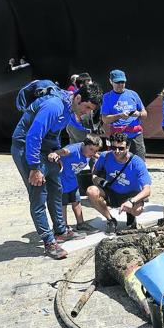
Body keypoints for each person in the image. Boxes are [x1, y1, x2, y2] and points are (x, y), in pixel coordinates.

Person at [11, 82, 102, 259]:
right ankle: (49, 242)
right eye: (87, 107)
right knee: (38, 193)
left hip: (46, 149)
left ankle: (60, 231)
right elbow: (33, 135)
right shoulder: (54, 106)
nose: (87, 112)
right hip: (26, 148)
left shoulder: (69, 110)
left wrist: (56, 153)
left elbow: (54, 134)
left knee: (56, 188)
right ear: (77, 98)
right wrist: (34, 167)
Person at [87, 133, 152, 233]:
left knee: (137, 210)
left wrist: (132, 201)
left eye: (121, 148)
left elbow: (147, 190)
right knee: (91, 191)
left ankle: (131, 215)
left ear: (128, 147)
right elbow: (94, 174)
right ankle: (110, 220)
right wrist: (97, 180)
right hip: (112, 191)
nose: (117, 151)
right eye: (114, 147)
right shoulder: (105, 156)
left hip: (131, 195)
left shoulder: (137, 162)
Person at [47, 133, 103, 232]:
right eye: (91, 149)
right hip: (61, 181)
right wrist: (55, 153)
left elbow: (98, 156)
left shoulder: (90, 153)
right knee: (62, 204)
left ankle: (81, 224)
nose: (93, 152)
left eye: (95, 150)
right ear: (84, 144)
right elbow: (64, 151)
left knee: (76, 202)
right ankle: (64, 226)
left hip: (72, 180)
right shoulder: (73, 150)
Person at [101, 69, 148, 160]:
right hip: (118, 136)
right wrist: (120, 115)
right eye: (117, 82)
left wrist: (138, 114)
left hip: (135, 134)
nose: (120, 85)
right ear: (111, 81)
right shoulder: (107, 97)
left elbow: (145, 113)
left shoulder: (133, 94)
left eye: (122, 82)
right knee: (118, 161)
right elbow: (105, 119)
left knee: (139, 161)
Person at [66, 73, 96, 144]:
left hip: (72, 126)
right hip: (79, 128)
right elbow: (81, 116)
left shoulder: (76, 93)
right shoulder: (81, 96)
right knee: (83, 150)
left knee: (74, 149)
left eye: (90, 81)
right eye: (87, 83)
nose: (90, 84)